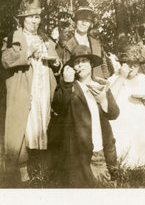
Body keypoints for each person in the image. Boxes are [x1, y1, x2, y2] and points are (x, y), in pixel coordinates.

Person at [1, 0, 61, 184]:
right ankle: (23, 171)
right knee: (22, 125)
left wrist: (57, 63)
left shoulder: (45, 38)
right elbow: (6, 60)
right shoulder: (14, 36)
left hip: (44, 88)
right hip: (25, 88)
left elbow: (55, 62)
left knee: (43, 124)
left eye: (37, 17)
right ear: (23, 19)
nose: (35, 21)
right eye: (30, 17)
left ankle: (42, 168)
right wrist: (27, 52)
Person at [51, 45, 120, 188]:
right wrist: (67, 83)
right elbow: (59, 107)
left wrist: (103, 100)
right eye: (76, 62)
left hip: (100, 150)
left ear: (91, 64)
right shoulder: (70, 86)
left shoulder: (100, 84)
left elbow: (114, 114)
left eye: (84, 61)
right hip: (77, 154)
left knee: (104, 190)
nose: (80, 64)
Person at [108, 41, 145, 168]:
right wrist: (122, 76)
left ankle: (143, 171)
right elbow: (108, 101)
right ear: (121, 64)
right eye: (128, 63)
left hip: (141, 128)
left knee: (144, 151)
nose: (131, 67)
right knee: (122, 152)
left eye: (135, 64)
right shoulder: (113, 80)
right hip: (121, 127)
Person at [63, 6, 114, 79]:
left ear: (91, 24)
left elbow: (103, 65)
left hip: (96, 83)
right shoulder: (67, 44)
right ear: (76, 21)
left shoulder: (96, 44)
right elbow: (65, 67)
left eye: (87, 21)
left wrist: (104, 80)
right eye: (81, 19)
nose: (84, 23)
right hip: (76, 85)